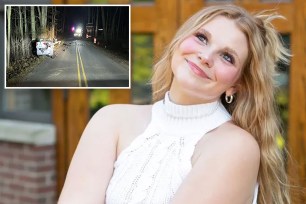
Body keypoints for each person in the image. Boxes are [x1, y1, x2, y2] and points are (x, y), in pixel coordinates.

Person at [58, 4, 291, 204]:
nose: (206, 56)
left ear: (236, 85)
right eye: (202, 38)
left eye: (227, 57)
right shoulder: (111, 120)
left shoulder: (235, 146)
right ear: (179, 42)